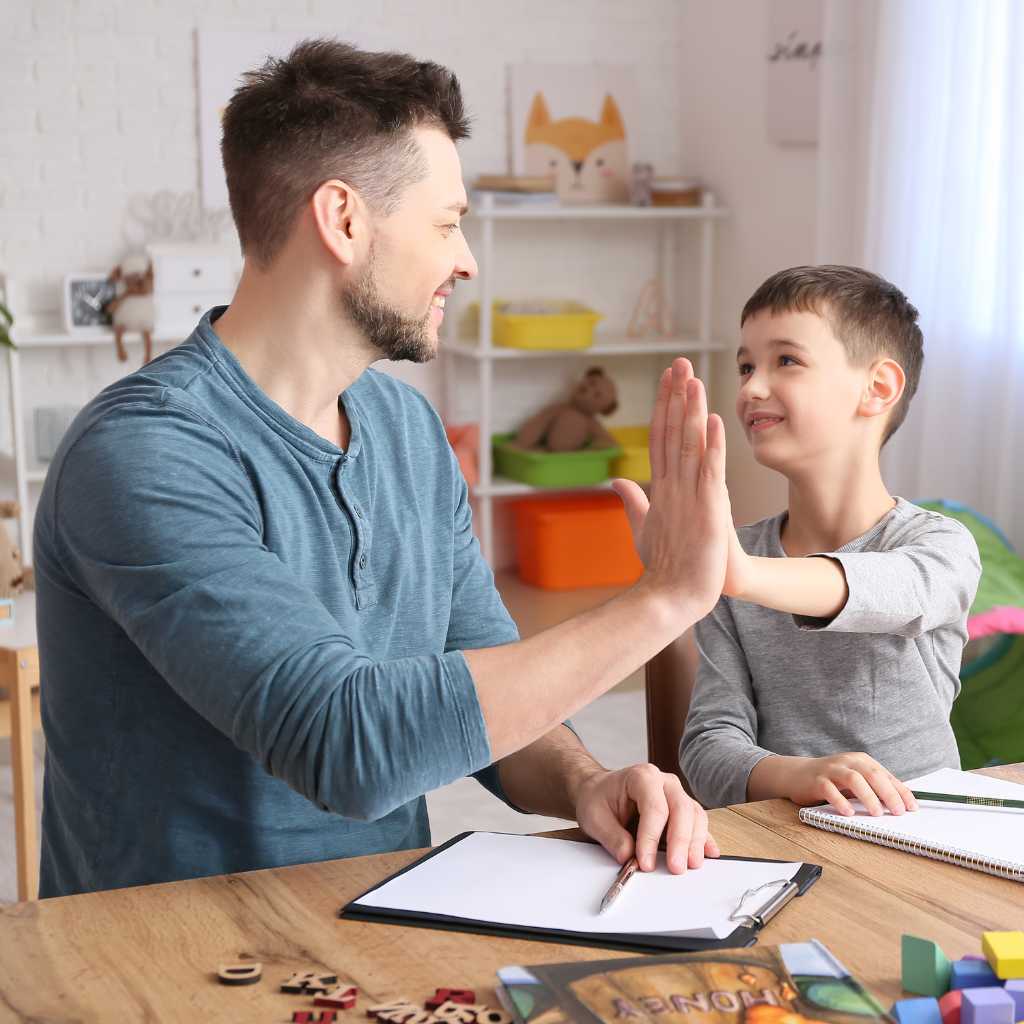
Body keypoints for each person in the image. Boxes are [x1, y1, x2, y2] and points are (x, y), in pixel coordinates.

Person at [33, 39, 731, 898]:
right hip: (168, 964)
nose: (467, 258)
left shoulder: (406, 428)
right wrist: (665, 597)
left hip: (372, 930)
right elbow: (347, 743)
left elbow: (488, 693)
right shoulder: (143, 452)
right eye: (446, 224)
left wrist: (586, 783)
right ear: (344, 220)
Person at [668, 265, 981, 815]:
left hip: (926, 839)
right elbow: (708, 749)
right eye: (745, 366)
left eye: (785, 360)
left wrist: (741, 574)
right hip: (781, 833)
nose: (751, 387)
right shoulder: (735, 563)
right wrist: (800, 776)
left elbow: (896, 593)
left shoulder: (939, 545)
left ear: (877, 388)